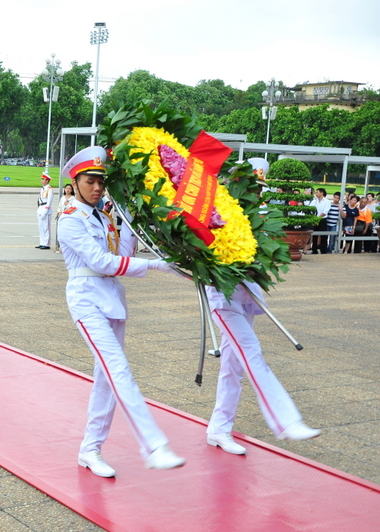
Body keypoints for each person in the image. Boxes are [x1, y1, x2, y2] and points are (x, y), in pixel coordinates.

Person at [58, 146, 185, 477]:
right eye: (90, 181)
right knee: (118, 370)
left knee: (105, 378)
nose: (97, 187)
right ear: (75, 181)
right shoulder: (70, 220)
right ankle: (154, 445)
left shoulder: (102, 217)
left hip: (112, 299)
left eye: (101, 181)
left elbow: (121, 254)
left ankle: (90, 449)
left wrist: (130, 215)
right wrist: (156, 266)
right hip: (86, 299)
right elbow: (101, 262)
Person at [205, 158, 320, 456]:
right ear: (235, 183)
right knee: (251, 351)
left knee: (233, 368)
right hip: (223, 298)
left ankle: (219, 429)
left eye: (259, 188)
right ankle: (285, 421)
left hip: (247, 298)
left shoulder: (258, 216)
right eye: (251, 186)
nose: (256, 193)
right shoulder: (216, 214)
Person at [54, 183, 74, 253]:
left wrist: (68, 204)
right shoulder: (62, 198)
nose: (68, 190)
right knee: (61, 232)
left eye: (69, 189)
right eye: (66, 188)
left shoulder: (73, 198)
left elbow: (73, 208)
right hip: (61, 217)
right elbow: (59, 206)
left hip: (68, 217)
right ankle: (61, 247)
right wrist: (59, 212)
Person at [309, 188, 330, 254]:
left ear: (322, 193)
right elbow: (311, 209)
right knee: (314, 235)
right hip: (314, 219)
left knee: (323, 235)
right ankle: (314, 249)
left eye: (317, 192)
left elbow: (325, 211)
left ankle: (323, 249)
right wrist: (315, 219)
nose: (316, 193)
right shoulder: (314, 201)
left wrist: (318, 218)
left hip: (323, 219)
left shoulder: (327, 201)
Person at [36, 173, 53, 249]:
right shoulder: (42, 189)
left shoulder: (49, 189)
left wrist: (45, 211)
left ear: (47, 180)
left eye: (43, 179)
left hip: (46, 209)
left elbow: (49, 201)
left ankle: (46, 244)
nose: (42, 180)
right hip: (40, 208)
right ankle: (42, 242)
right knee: (41, 227)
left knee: (46, 227)